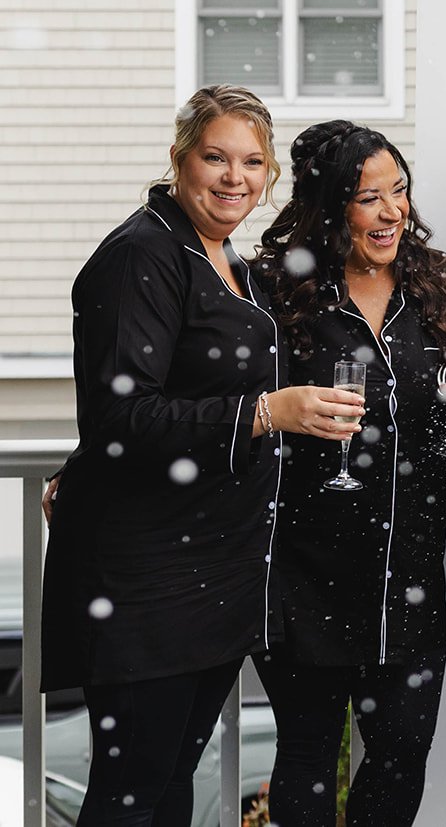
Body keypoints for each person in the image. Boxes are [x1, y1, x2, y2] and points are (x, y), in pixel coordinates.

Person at [39, 86, 364, 826]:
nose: (233, 177)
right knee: (130, 795)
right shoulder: (141, 255)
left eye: (251, 161)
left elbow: (166, 389)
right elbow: (122, 412)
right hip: (144, 578)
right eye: (215, 157)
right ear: (181, 158)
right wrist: (263, 411)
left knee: (169, 784)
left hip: (211, 570)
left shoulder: (229, 260)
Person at [249, 121, 446, 826]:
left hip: (406, 574)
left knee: (401, 753)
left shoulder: (445, 287)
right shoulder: (276, 291)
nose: (392, 212)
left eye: (400, 191)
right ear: (329, 204)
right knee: (308, 753)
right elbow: (228, 397)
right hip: (302, 570)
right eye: (368, 197)